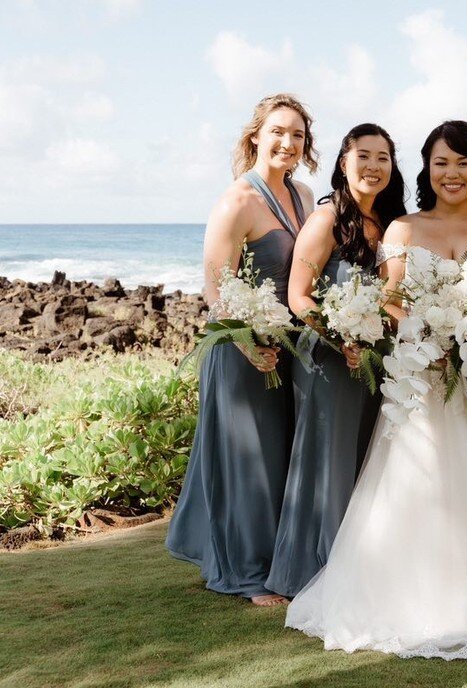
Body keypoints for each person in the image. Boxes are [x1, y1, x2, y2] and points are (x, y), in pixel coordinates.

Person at [285, 120, 467, 660]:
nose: (452, 173)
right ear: (426, 167)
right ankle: (417, 595)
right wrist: (431, 332)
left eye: (464, 163)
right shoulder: (402, 228)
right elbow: (393, 300)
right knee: (422, 482)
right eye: (442, 163)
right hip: (421, 374)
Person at [166, 93, 316, 606]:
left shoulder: (305, 196)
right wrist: (248, 341)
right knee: (247, 461)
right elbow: (216, 287)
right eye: (277, 131)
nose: (287, 142)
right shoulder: (237, 201)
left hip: (287, 347)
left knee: (279, 457)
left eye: (296, 134)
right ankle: (247, 574)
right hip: (240, 351)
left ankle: (280, 561)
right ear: (256, 135)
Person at [265, 124, 406, 598]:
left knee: (364, 458)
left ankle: (358, 569)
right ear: (343, 163)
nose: (373, 166)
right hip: (328, 359)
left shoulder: (387, 223)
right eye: (363, 155)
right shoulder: (326, 219)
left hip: (373, 361)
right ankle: (311, 572)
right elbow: (299, 297)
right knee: (327, 460)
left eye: (383, 157)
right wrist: (340, 334)